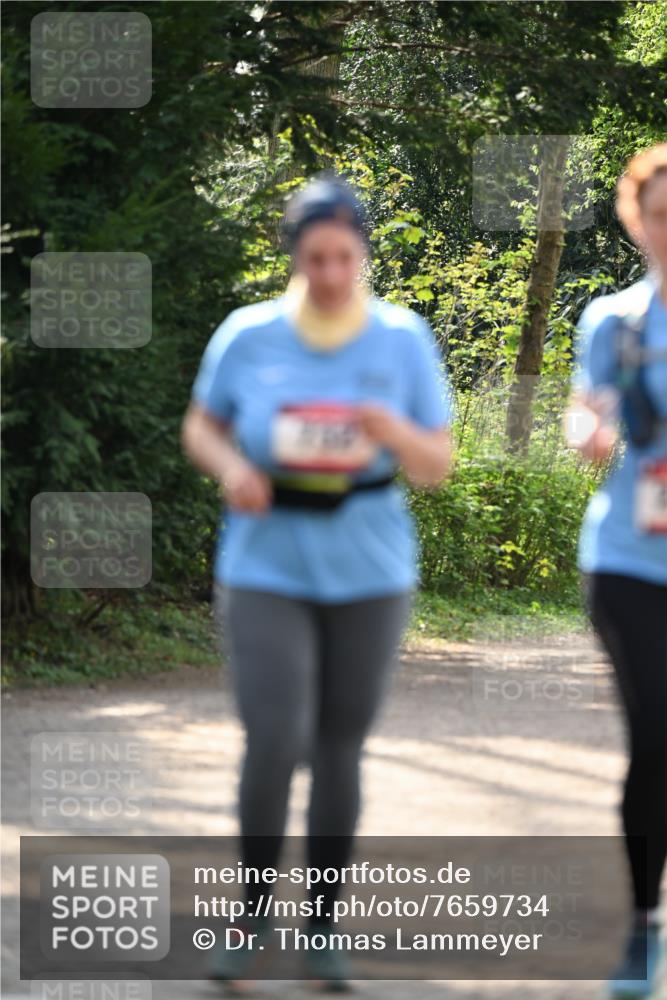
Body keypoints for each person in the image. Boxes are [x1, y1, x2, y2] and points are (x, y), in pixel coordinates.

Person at [181, 172, 454, 990]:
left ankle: (322, 928)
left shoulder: (402, 339)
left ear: (363, 254)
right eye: (314, 259)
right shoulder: (248, 333)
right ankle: (250, 916)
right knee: (273, 740)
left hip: (370, 568)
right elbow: (202, 424)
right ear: (294, 257)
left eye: (344, 257)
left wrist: (390, 428)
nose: (331, 275)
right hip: (265, 561)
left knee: (340, 747)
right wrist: (231, 466)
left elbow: (436, 465)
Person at [565, 143, 667, 999]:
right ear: (636, 222)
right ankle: (641, 928)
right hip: (631, 559)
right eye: (659, 213)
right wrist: (587, 436)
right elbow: (584, 412)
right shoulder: (615, 322)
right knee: (656, 738)